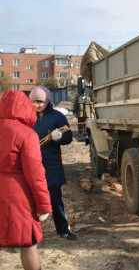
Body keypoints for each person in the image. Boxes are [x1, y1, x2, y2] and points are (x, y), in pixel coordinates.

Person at [0, 90, 53, 270]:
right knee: (28, 244)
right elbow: (35, 174)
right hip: (17, 198)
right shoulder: (27, 134)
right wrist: (44, 206)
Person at [29, 86, 77, 241]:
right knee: (30, 200)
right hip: (31, 164)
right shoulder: (28, 116)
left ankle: (63, 229)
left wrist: (60, 138)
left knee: (56, 200)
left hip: (52, 164)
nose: (37, 105)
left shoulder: (57, 117)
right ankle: (30, 231)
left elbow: (69, 137)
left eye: (40, 102)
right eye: (34, 102)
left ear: (47, 101)